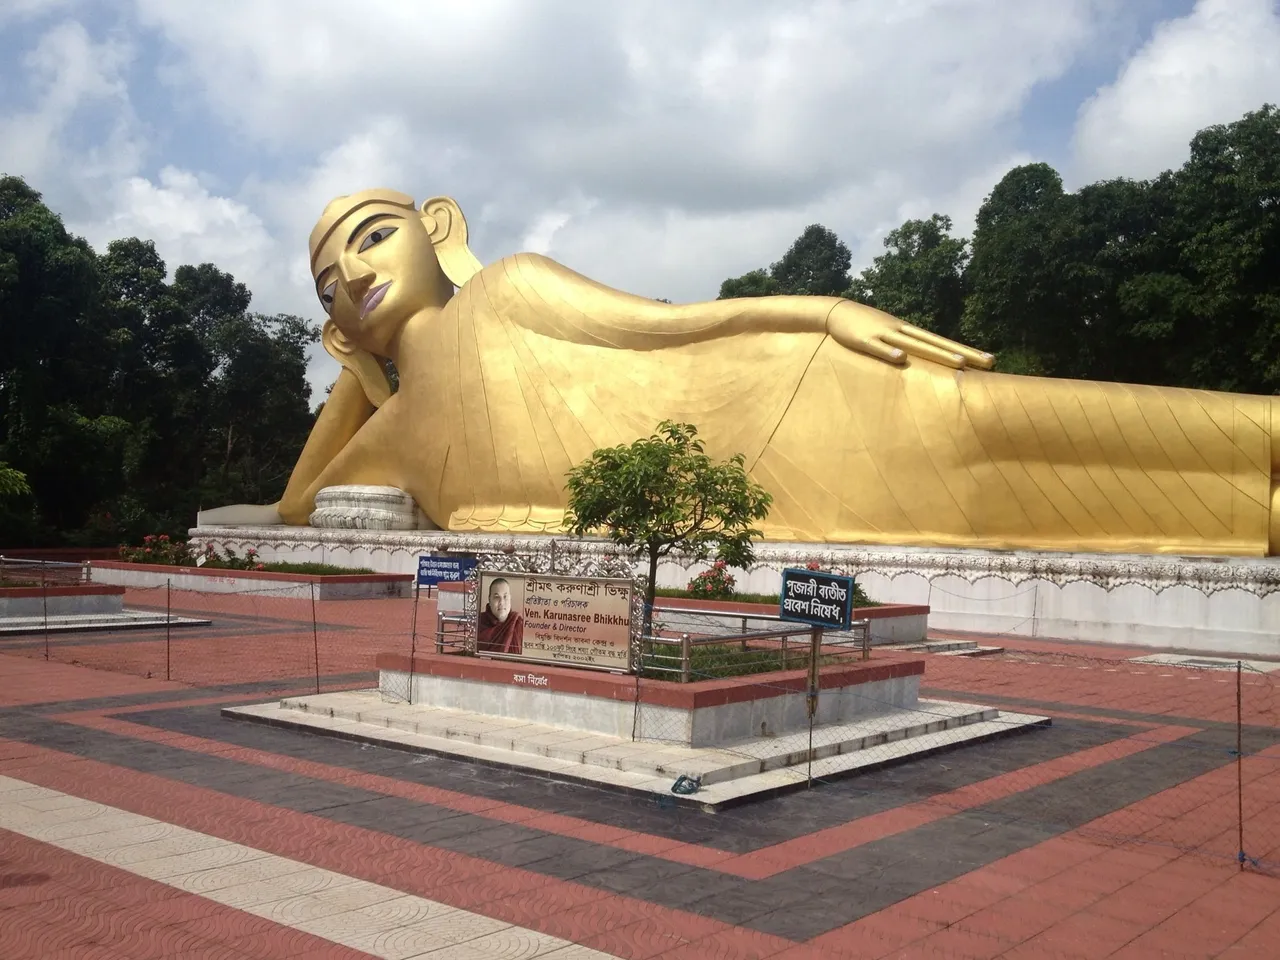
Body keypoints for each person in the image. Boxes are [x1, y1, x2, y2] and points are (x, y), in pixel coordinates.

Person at [202, 188, 1280, 558]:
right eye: (330, 282)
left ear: (437, 230)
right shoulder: (388, 438)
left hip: (784, 396)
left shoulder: (511, 288)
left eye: (373, 238)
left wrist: (824, 309)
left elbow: (672, 329)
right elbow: (298, 508)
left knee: (992, 420)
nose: (355, 274)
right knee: (1054, 495)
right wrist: (352, 369)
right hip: (742, 500)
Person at [477, 578, 523, 654]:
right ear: (489, 599)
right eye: (496, 597)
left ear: (510, 598)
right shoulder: (479, 622)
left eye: (505, 597)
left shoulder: (519, 623)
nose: (501, 602)